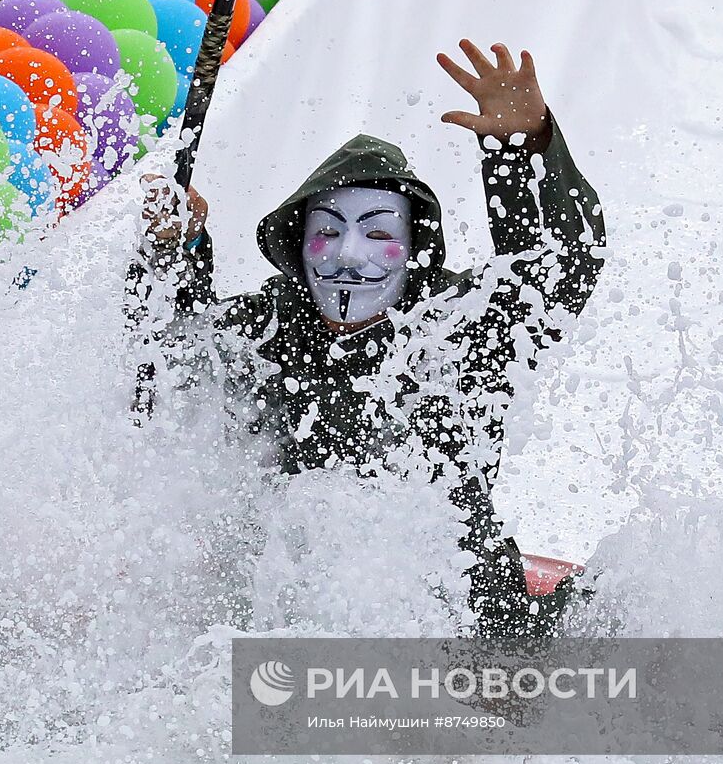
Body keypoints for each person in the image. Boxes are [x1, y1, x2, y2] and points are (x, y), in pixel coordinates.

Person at [132, 40, 606, 638]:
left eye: (378, 233)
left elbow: (560, 272)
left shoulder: (453, 326)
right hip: (273, 601)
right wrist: (175, 254)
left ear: (413, 251)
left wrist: (522, 150)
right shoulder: (263, 326)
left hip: (462, 607)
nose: (349, 257)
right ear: (299, 248)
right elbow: (164, 379)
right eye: (327, 233)